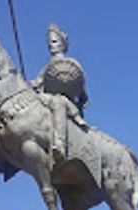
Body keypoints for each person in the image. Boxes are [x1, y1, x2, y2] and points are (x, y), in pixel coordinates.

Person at [31, 24, 89, 160]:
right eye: (49, 43)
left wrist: (83, 96)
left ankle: (60, 144)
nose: (51, 45)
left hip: (65, 102)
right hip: (46, 99)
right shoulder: (47, 68)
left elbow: (80, 84)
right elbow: (37, 82)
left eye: (54, 41)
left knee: (59, 101)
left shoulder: (71, 63)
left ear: (62, 43)